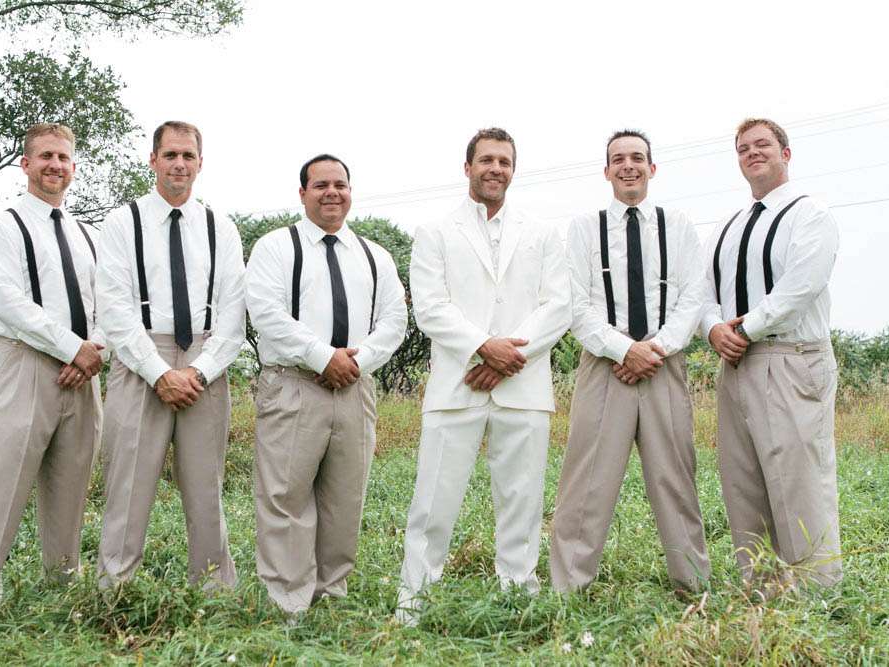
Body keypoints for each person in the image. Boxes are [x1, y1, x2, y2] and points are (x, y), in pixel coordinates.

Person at [396, 128, 570, 623]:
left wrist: (506, 357)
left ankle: (519, 601)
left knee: (522, 503)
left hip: (523, 386)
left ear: (513, 170)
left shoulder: (542, 233)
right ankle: (412, 605)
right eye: (487, 160)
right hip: (457, 384)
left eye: (504, 162)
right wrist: (482, 348)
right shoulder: (435, 232)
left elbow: (558, 305)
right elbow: (431, 307)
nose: (496, 169)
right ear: (467, 166)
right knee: (433, 502)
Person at [244, 154, 407, 616]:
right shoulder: (276, 247)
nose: (332, 192)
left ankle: (331, 594)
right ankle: (288, 601)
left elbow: (394, 320)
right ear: (303, 193)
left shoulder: (374, 256)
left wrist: (355, 362)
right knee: (286, 495)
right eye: (320, 185)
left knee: (344, 498)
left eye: (340, 184)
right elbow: (267, 312)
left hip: (355, 387)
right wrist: (322, 356)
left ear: (350, 192)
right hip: (294, 384)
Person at [550, 130, 711, 594]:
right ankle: (569, 588)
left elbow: (693, 295)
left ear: (652, 168)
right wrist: (623, 350)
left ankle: (692, 585)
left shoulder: (677, 225)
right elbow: (576, 303)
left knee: (675, 477)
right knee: (587, 481)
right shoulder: (585, 228)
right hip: (605, 365)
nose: (628, 166)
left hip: (664, 363)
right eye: (618, 159)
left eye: (637, 158)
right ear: (606, 171)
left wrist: (655, 349)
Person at [0, 123, 104, 600]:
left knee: (70, 486)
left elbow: (110, 305)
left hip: (85, 374)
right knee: (0, 482)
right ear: (26, 164)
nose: (55, 165)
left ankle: (62, 587)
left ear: (73, 167)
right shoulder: (5, 226)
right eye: (45, 156)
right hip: (24, 365)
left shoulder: (88, 235)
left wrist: (93, 351)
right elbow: (9, 302)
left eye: (63, 157)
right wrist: (72, 347)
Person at [95, 121, 245, 589]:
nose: (179, 164)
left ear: (200, 163)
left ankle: (214, 593)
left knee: (205, 488)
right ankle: (114, 592)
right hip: (141, 357)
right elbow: (114, 308)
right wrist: (159, 373)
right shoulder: (123, 223)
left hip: (204, 359)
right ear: (153, 160)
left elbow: (233, 316)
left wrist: (198, 372)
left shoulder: (221, 228)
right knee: (128, 485)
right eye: (170, 155)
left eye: (188, 156)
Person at [703, 117, 841, 587]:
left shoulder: (810, 214)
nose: (752, 153)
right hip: (735, 363)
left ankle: (815, 589)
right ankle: (761, 588)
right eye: (743, 148)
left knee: (799, 478)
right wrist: (712, 329)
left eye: (762, 144)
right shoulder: (729, 226)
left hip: (790, 357)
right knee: (743, 480)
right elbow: (703, 291)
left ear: (786, 153)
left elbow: (801, 285)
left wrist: (746, 328)